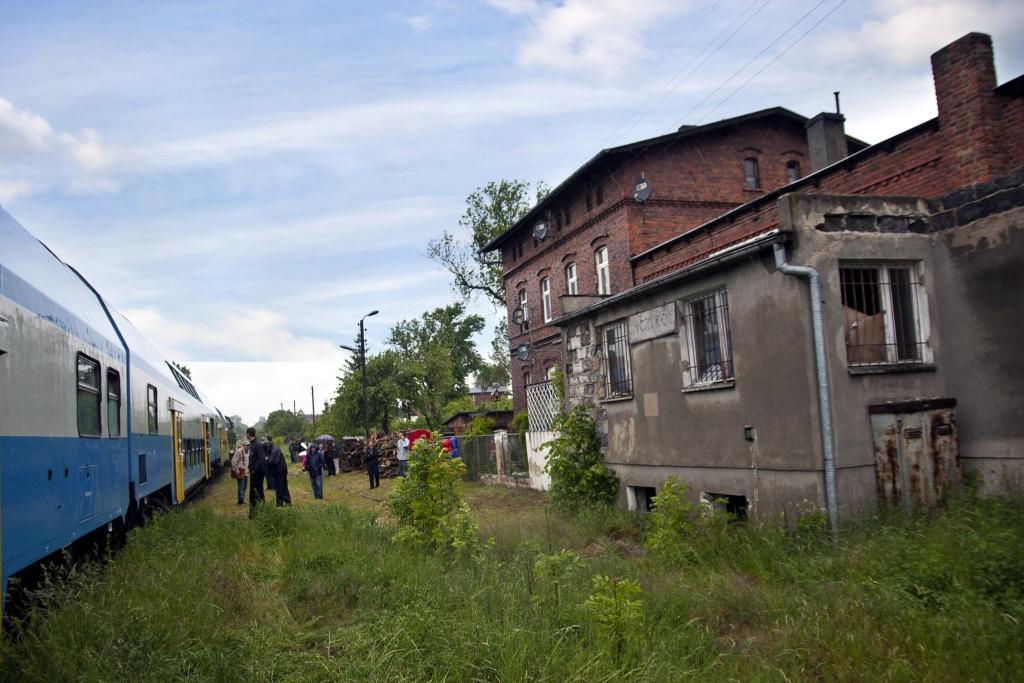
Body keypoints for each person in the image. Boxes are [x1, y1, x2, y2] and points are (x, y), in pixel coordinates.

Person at [247, 427, 267, 512]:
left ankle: (262, 511)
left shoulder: (257, 445)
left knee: (258, 492)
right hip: (254, 473)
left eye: (246, 434)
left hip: (257, 473)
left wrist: (254, 470)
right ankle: (253, 512)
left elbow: (261, 459)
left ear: (248, 434)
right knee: (252, 494)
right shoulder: (252, 444)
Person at [267, 439, 291, 506]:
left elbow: (274, 461)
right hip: (281, 470)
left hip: (280, 471)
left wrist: (266, 459)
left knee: (279, 487)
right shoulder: (274, 448)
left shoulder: (275, 450)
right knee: (283, 487)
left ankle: (279, 503)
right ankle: (287, 502)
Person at [231, 440, 250, 505]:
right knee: (241, 487)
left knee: (244, 487)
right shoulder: (239, 451)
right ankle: (240, 501)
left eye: (248, 445)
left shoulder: (248, 452)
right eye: (246, 445)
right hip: (241, 471)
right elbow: (234, 461)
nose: (248, 447)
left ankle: (242, 499)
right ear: (243, 445)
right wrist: (237, 471)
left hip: (246, 472)